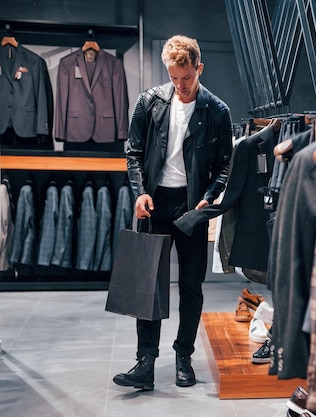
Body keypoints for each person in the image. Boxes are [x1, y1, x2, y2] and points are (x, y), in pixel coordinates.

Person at [113, 34, 233, 390]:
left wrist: (210, 196)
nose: (180, 85)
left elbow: (226, 165)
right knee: (147, 285)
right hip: (154, 205)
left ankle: (184, 355)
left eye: (186, 77)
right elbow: (133, 153)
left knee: (191, 286)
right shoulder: (149, 101)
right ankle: (145, 362)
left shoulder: (218, 111)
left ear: (199, 68)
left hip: (192, 206)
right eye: (174, 78)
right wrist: (140, 193)